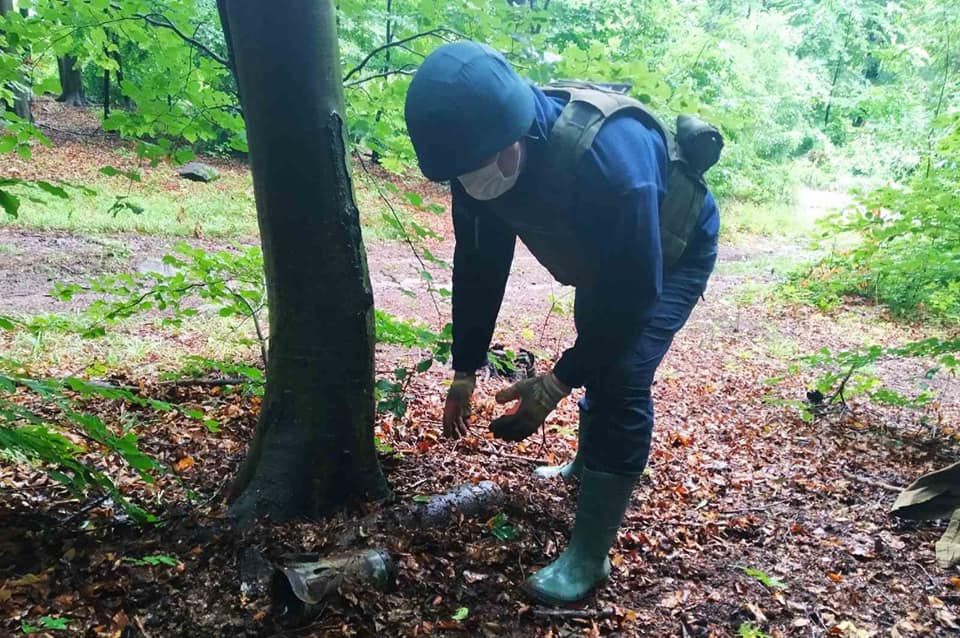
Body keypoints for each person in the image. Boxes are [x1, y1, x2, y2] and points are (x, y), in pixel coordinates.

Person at [403, 41, 719, 605]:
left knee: (620, 375)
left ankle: (589, 555)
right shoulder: (476, 156)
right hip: (610, 259)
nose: (469, 182)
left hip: (672, 254)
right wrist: (465, 368)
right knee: (597, 342)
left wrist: (556, 383)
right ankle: (586, 464)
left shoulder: (611, 163)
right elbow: (478, 261)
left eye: (475, 168)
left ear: (515, 133)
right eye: (459, 173)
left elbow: (634, 295)